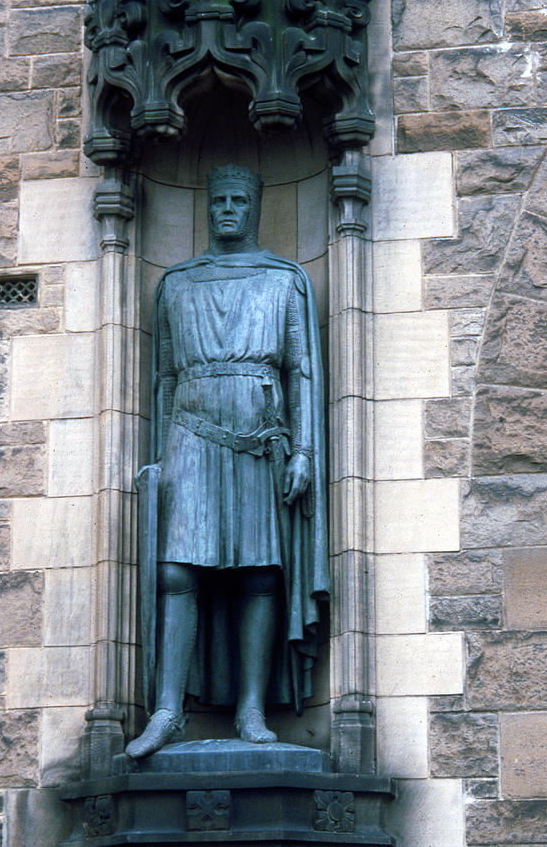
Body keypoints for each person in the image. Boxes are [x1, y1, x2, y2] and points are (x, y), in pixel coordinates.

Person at [126, 165, 328, 759]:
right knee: (178, 572)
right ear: (208, 207)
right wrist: (159, 459)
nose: (228, 209)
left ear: (256, 207)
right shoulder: (176, 284)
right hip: (190, 437)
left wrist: (306, 451)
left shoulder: (282, 280)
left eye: (240, 199)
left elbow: (303, 372)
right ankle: (167, 710)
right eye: (219, 200)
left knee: (260, 574)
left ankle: (251, 708)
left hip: (260, 439)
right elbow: (162, 379)